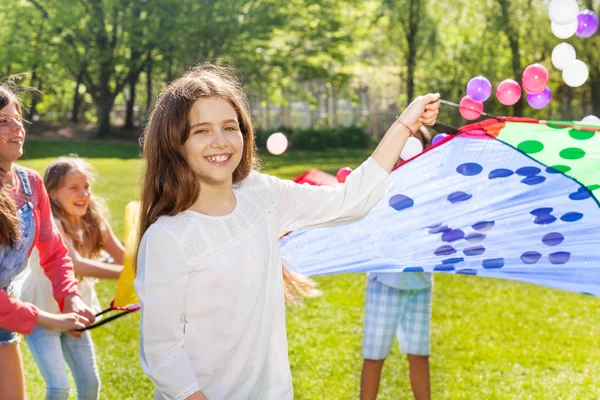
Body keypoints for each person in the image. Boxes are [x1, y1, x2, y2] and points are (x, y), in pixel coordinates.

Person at [134, 63, 440, 399]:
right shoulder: (168, 238)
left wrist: (404, 125)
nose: (220, 142)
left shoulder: (262, 195)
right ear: (174, 143)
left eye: (229, 127)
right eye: (201, 131)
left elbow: (351, 200)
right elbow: (164, 354)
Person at [0, 85, 95, 399]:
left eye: (18, 120)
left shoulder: (31, 183)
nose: (17, 129)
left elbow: (53, 251)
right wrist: (49, 318)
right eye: (3, 122)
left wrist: (71, 297)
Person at [14, 156, 124, 399]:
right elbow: (74, 264)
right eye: (74, 188)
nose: (83, 194)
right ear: (52, 194)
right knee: (59, 386)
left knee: (90, 384)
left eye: (86, 187)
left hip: (77, 310)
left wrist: (146, 267)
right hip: (44, 311)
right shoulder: (51, 223)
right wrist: (128, 275)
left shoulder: (96, 222)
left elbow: (125, 259)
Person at [360, 130, 434, 400]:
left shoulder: (429, 185)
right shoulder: (384, 183)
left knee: (419, 353)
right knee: (374, 355)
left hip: (420, 283)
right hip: (386, 283)